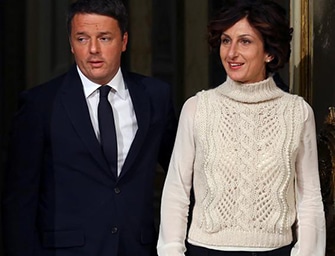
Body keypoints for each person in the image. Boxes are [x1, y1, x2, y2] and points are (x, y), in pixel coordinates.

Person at [1, 0, 177, 255]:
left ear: (124, 41)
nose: (93, 49)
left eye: (104, 38)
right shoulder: (40, 104)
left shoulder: (155, 96)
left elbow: (181, 178)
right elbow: (19, 201)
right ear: (71, 44)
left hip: (137, 248)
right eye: (82, 39)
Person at [157, 0, 326, 255]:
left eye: (245, 41)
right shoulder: (198, 108)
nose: (231, 53)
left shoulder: (297, 113)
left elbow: (310, 199)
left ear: (269, 52)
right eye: (226, 41)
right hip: (205, 250)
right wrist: (171, 250)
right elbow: (176, 192)